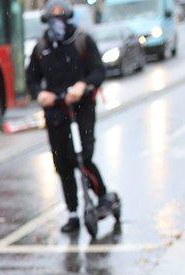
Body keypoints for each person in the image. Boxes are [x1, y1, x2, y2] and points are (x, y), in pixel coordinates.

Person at [26, 0, 118, 233]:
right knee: (62, 163)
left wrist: (83, 85)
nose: (57, 20)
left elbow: (99, 70)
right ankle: (73, 212)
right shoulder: (41, 47)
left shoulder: (81, 40)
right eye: (52, 15)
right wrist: (40, 94)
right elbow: (31, 80)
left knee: (84, 157)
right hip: (56, 112)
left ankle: (103, 195)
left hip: (82, 107)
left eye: (61, 14)